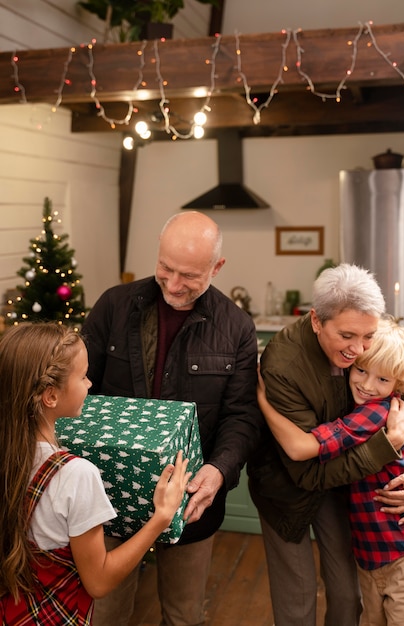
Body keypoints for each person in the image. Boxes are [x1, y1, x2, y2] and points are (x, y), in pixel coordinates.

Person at [81, 211, 263, 626]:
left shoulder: (236, 327)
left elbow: (242, 416)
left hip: (192, 500)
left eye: (190, 275)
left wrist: (219, 471)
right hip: (110, 493)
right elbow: (80, 389)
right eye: (166, 268)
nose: (174, 284)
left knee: (183, 615)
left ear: (217, 267)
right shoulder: (114, 304)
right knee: (105, 613)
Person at [247, 263, 404, 626]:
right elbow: (303, 462)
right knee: (298, 602)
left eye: (367, 335)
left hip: (354, 494)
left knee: (347, 594)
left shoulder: (376, 349)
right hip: (288, 488)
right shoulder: (283, 365)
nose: (358, 350)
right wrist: (388, 445)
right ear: (316, 321)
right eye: (346, 336)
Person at [0, 322, 190, 625]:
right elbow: (99, 582)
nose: (90, 385)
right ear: (50, 396)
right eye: (83, 376)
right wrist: (161, 518)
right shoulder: (74, 474)